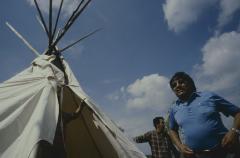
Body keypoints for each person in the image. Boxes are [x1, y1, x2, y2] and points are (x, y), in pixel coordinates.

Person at [168, 72, 240, 158]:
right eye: (174, 85)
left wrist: (234, 131)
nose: (177, 86)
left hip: (224, 151)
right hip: (196, 155)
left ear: (190, 83)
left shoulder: (209, 96)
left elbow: (237, 113)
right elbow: (172, 130)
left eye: (181, 82)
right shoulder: (174, 108)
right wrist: (180, 146)